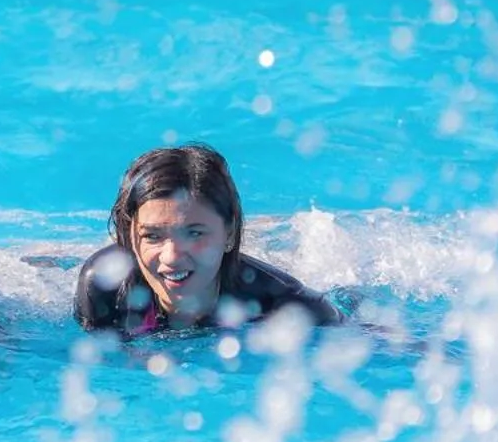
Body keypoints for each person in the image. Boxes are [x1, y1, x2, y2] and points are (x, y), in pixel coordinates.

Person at [73, 143, 342, 337]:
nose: (172, 257)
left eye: (194, 233)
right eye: (152, 236)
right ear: (131, 237)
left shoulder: (288, 308)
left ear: (230, 233)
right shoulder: (105, 286)